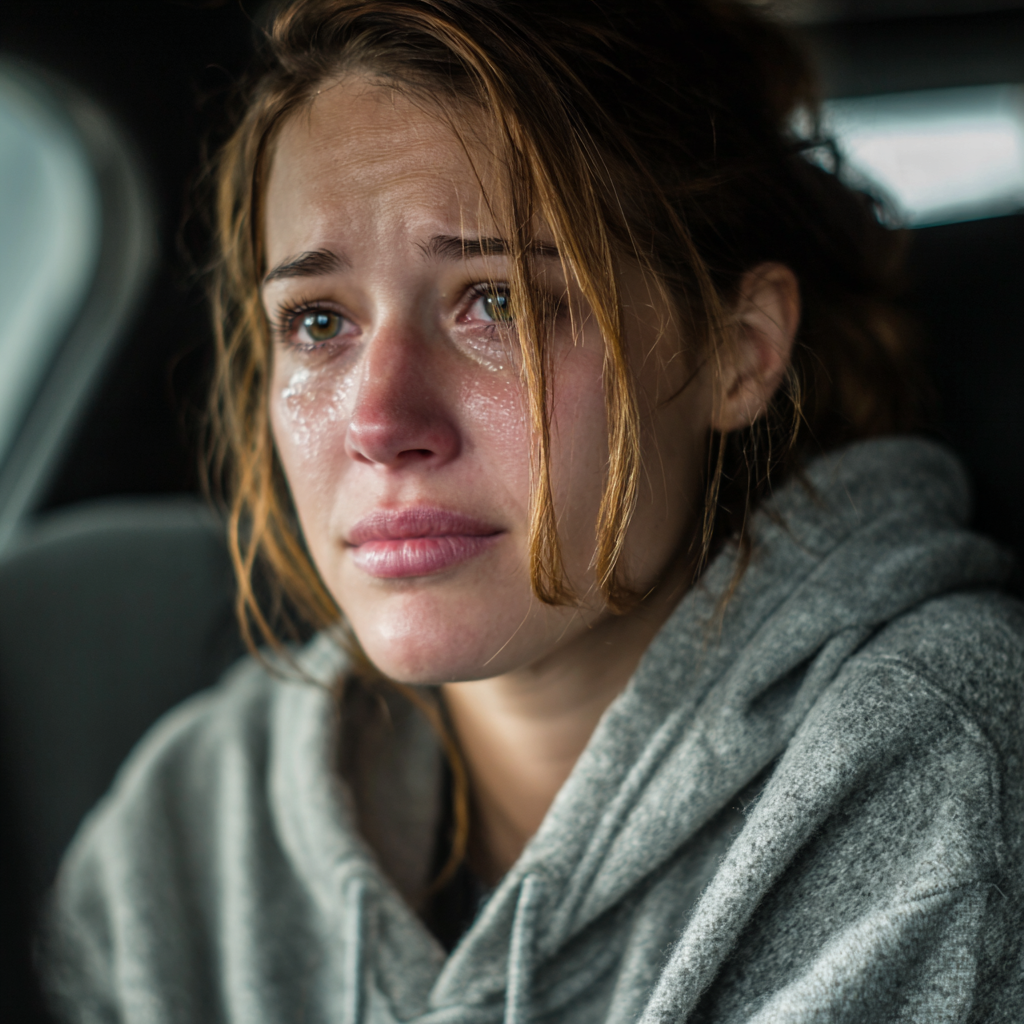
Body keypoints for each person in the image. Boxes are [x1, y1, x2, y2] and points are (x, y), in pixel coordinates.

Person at [42, 0, 1024, 1020]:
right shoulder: (185, 831)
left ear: (741, 348)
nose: (380, 422)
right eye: (318, 320)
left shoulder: (940, 779)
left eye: (495, 300)